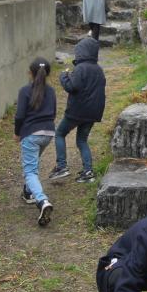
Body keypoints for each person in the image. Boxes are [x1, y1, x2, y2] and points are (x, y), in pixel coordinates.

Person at [49, 37, 106, 183]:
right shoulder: (99, 70)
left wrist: (64, 77)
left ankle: (61, 166)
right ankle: (88, 172)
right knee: (82, 140)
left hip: (77, 111)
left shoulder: (80, 68)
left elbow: (71, 87)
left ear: (82, 51)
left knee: (60, 133)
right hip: (93, 112)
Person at [14, 58, 56, 226]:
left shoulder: (25, 91)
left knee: (30, 171)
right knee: (33, 161)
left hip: (31, 133)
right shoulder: (51, 91)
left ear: (30, 73)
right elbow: (53, 113)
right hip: (48, 133)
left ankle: (42, 200)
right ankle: (28, 192)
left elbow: (19, 116)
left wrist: (17, 133)